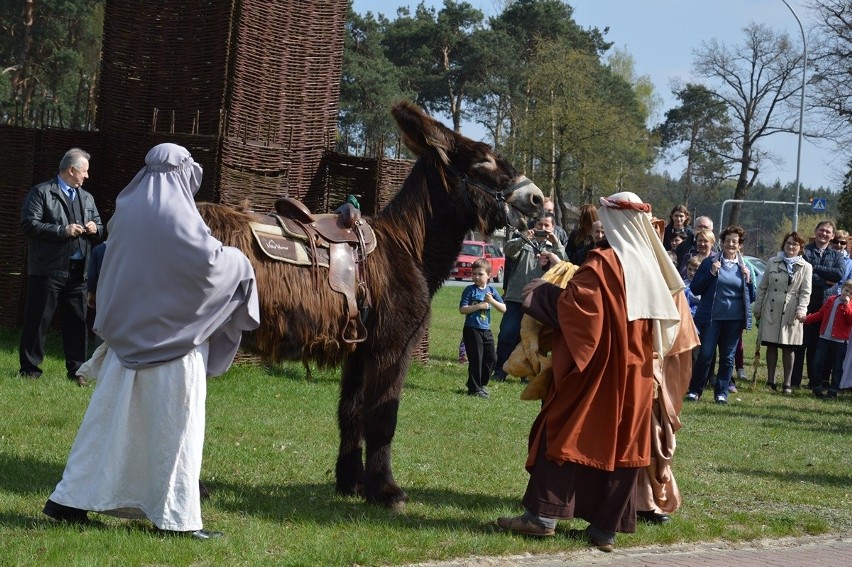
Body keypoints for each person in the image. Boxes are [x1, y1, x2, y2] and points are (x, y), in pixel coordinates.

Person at [43, 143, 260, 540]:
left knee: (106, 427)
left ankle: (69, 500)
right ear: (181, 172)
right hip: (173, 348)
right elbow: (209, 265)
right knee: (176, 431)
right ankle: (176, 519)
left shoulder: (127, 211)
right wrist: (241, 263)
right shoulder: (178, 216)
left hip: (126, 348)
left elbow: (113, 268)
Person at [496, 192, 683, 552]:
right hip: (637, 373)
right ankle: (603, 530)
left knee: (565, 428)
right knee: (623, 446)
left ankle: (542, 517)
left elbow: (580, 311)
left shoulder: (605, 263)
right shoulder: (649, 265)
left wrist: (542, 293)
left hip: (600, 369)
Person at [19, 148, 103, 384]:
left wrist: (96, 228)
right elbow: (29, 225)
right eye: (84, 171)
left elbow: (100, 225)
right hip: (48, 270)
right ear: (71, 170)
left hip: (79, 272)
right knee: (38, 321)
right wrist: (61, 231)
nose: (87, 176)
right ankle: (30, 370)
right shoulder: (41, 193)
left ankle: (77, 372)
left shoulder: (86, 197)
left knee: (77, 323)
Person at [685, 226, 755, 404]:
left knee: (727, 357)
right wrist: (711, 273)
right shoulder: (710, 262)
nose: (731, 244)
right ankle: (695, 390)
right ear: (722, 243)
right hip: (712, 317)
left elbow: (751, 297)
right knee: (706, 354)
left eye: (735, 241)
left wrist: (748, 281)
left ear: (739, 245)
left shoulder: (745, 266)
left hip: (734, 319)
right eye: (728, 240)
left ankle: (721, 393)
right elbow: (695, 288)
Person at [492, 212, 566, 382]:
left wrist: (556, 244)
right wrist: (523, 237)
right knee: (507, 335)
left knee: (535, 340)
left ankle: (528, 374)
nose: (543, 228)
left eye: (547, 225)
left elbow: (565, 266)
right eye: (540, 224)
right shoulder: (524, 241)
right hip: (516, 298)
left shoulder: (555, 247)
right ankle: (500, 371)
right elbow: (509, 251)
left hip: (540, 302)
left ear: (553, 228)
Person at [753, 232, 812, 394]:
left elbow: (805, 292)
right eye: (788, 243)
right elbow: (763, 287)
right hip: (771, 307)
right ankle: (770, 381)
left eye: (795, 244)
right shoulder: (772, 262)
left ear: (800, 248)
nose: (791, 247)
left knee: (789, 347)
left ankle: (787, 383)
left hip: (791, 310)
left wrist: (801, 310)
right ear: (783, 245)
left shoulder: (806, 267)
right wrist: (758, 308)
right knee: (771, 344)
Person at [791, 221, 845, 389]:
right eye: (821, 230)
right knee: (800, 344)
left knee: (818, 347)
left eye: (828, 231)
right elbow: (803, 274)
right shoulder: (805, 251)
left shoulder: (837, 255)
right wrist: (825, 280)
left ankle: (815, 382)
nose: (824, 234)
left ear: (832, 235)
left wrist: (815, 269)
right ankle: (794, 381)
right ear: (815, 231)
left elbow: (839, 274)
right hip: (806, 304)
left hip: (826, 307)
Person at [459, 258, 506, 398]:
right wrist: (479, 306)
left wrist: (491, 301)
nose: (476, 277)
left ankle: (480, 383)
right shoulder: (469, 290)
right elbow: (463, 309)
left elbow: (504, 308)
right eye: (474, 274)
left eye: (480, 274)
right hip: (471, 329)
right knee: (476, 359)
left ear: (488, 276)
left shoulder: (491, 291)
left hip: (486, 329)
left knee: (492, 358)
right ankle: (474, 388)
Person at [802, 279, 852, 399]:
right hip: (824, 338)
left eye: (851, 293)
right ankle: (816, 388)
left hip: (840, 341)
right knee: (818, 363)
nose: (847, 293)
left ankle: (833, 390)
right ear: (842, 288)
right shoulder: (831, 300)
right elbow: (820, 314)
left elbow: (850, 320)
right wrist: (806, 319)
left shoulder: (850, 306)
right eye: (846, 290)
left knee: (837, 367)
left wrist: (846, 306)